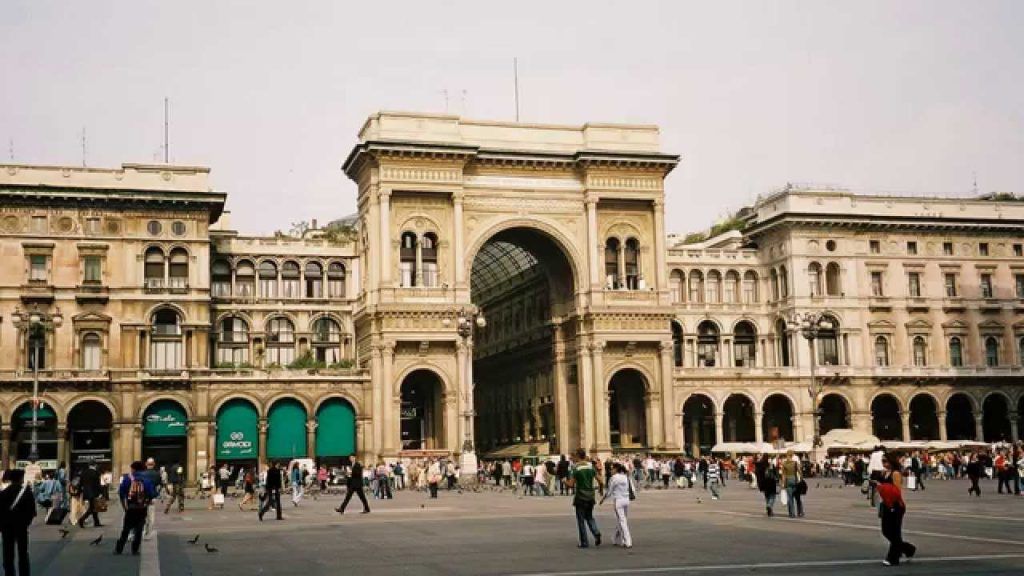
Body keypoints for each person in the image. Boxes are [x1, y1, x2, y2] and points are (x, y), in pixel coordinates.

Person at [874, 452, 916, 566]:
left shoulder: (896, 473)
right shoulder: (884, 473)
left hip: (896, 505)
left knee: (895, 532)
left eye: (885, 461)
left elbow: (897, 491)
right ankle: (908, 549)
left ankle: (893, 558)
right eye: (882, 461)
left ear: (891, 461)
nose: (883, 463)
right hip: (886, 504)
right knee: (886, 531)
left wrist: (881, 487)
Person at [115, 461, 156, 556]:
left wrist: (124, 507)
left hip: (131, 507)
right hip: (142, 508)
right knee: (139, 529)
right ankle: (135, 550)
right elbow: (152, 493)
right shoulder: (146, 479)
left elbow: (121, 493)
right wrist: (147, 501)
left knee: (126, 529)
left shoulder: (128, 478)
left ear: (133, 468)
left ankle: (119, 549)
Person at [0, 469, 36, 576]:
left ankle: (9, 573)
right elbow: (32, 512)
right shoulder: (27, 493)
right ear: (21, 478)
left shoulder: (2, 493)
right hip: (21, 527)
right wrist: (26, 523)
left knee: (8, 554)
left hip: (6, 527)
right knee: (23, 554)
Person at [565, 448, 602, 548]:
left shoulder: (575, 468)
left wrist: (565, 481)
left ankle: (584, 542)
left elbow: (571, 484)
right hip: (590, 495)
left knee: (581, 520)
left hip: (580, 496)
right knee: (589, 516)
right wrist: (601, 490)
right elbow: (601, 481)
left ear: (577, 456)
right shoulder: (591, 467)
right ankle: (596, 532)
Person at [600, 462, 632, 549]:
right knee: (621, 520)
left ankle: (628, 541)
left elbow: (609, 491)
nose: (610, 470)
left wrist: (603, 499)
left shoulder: (613, 478)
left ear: (615, 469)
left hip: (618, 500)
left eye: (611, 469)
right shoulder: (625, 477)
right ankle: (615, 538)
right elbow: (631, 488)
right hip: (626, 499)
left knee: (622, 521)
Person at [141, 458, 162, 541]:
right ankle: (148, 534)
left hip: (142, 498)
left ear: (146, 464)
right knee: (151, 517)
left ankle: (142, 531)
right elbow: (159, 486)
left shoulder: (142, 474)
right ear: (154, 464)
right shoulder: (157, 474)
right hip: (152, 497)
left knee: (142, 515)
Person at [77, 463, 103, 528]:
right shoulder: (96, 473)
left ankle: (97, 522)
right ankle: (82, 519)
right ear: (94, 465)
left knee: (93, 507)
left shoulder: (84, 472)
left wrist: (79, 492)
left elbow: (80, 483)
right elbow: (97, 484)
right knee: (92, 508)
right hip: (94, 492)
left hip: (86, 492)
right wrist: (101, 492)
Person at [781, 451, 803, 518]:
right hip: (795, 480)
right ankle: (800, 512)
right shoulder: (795, 463)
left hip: (788, 481)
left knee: (790, 498)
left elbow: (783, 475)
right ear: (792, 455)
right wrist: (801, 479)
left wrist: (783, 483)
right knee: (798, 497)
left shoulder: (784, 463)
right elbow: (800, 472)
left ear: (787, 455)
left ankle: (792, 513)